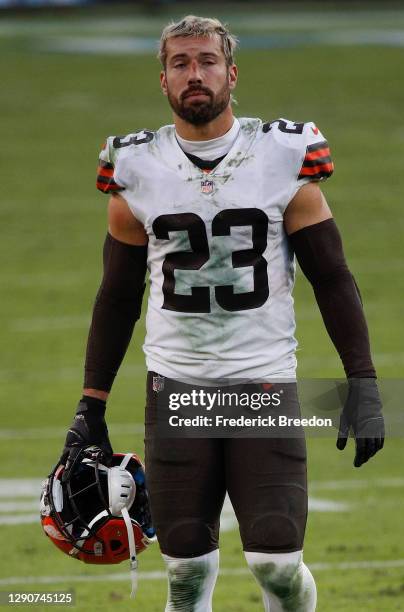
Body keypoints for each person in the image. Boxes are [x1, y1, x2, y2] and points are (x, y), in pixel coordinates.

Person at [60, 15, 385, 612]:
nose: (195, 74)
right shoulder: (134, 166)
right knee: (185, 575)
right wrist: (92, 403)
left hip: (263, 382)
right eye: (180, 63)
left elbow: (332, 276)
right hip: (177, 387)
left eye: (207, 61)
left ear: (232, 73)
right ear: (162, 80)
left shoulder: (283, 153)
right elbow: (116, 296)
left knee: (277, 565)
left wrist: (361, 380)